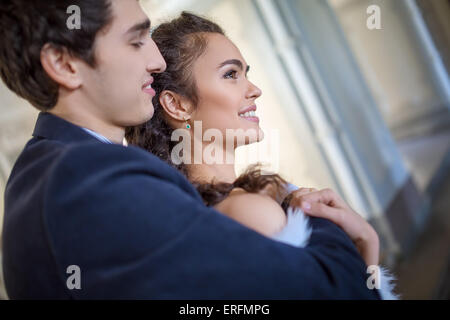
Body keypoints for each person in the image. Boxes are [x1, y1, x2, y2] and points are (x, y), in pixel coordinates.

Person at [0, 0, 387, 299]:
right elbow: (321, 291)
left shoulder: (49, 171)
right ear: (63, 63)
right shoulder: (88, 179)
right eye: (136, 41)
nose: (154, 61)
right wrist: (312, 215)